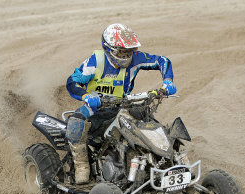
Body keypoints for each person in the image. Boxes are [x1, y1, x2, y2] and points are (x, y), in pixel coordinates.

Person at [65, 23, 177, 184]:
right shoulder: (95, 62)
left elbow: (162, 60)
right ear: (109, 49)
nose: (126, 56)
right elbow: (72, 82)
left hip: (123, 106)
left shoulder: (136, 59)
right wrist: (86, 96)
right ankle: (82, 166)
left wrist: (167, 81)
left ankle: (164, 161)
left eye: (129, 52)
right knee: (75, 123)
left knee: (148, 120)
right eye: (122, 52)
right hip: (95, 108)